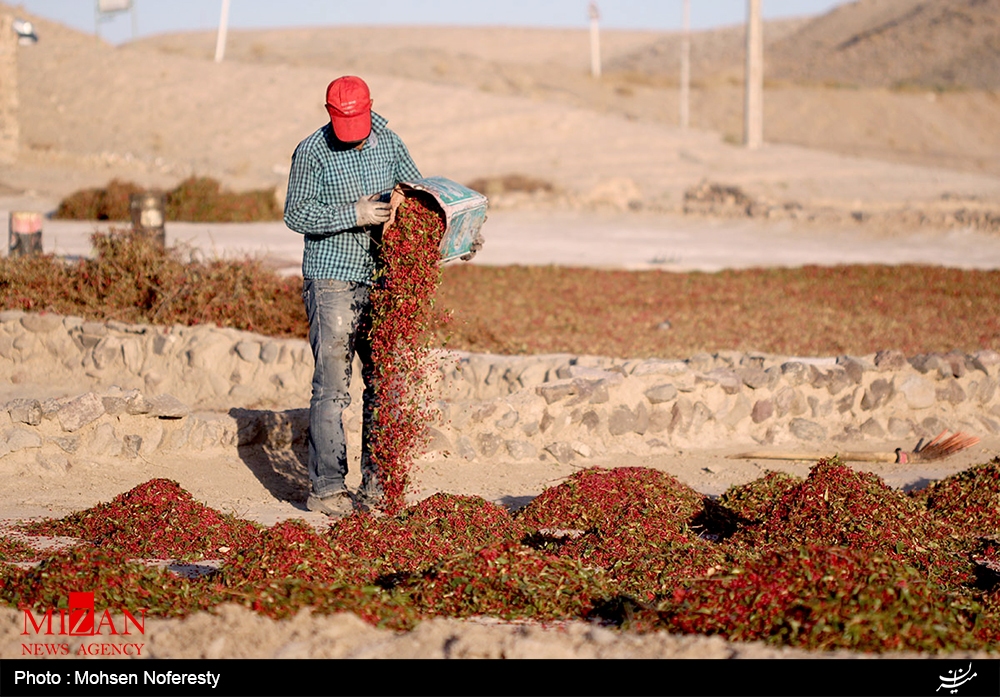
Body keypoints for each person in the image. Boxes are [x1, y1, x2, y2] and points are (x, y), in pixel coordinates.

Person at [284, 75, 421, 517]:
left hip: (381, 277)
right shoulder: (312, 152)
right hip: (332, 280)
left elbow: (417, 191)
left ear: (370, 107)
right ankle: (326, 489)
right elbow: (296, 213)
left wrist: (411, 206)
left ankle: (378, 486)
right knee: (333, 390)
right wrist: (355, 213)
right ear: (329, 113)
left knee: (384, 382)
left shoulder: (389, 141)